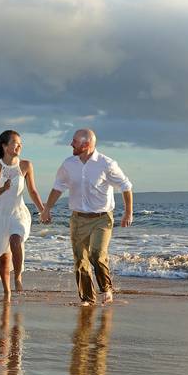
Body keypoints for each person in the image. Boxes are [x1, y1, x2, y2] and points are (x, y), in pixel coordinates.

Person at [40, 129, 133, 306]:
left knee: (97, 255)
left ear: (86, 145)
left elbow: (126, 186)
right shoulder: (68, 164)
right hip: (78, 218)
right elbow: (58, 187)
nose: (71, 144)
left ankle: (106, 288)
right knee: (80, 260)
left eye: (74, 141)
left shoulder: (107, 164)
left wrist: (128, 212)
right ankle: (88, 299)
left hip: (102, 218)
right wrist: (47, 209)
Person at [0, 130, 45, 301]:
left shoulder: (25, 165)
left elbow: (33, 191)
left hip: (18, 212)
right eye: (15, 142)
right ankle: (7, 292)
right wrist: (3, 188)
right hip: (1, 215)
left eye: (20, 143)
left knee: (15, 239)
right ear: (4, 146)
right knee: (4, 257)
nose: (19, 145)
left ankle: (18, 276)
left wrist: (43, 210)